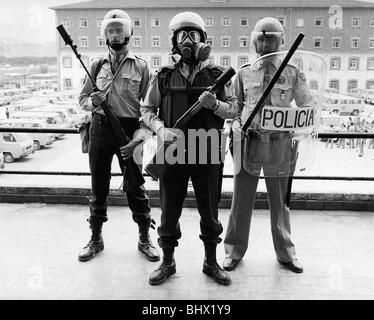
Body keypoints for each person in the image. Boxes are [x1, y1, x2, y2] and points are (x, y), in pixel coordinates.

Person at [140, 11, 238, 285]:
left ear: (203, 40)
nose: (188, 41)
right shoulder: (164, 75)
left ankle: (210, 262)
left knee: (210, 211)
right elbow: (146, 109)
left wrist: (215, 105)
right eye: (182, 35)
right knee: (169, 211)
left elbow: (235, 110)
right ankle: (168, 262)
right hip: (172, 151)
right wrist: (161, 129)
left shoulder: (218, 75)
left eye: (193, 35)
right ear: (174, 42)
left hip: (208, 151)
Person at [223, 17, 314, 273]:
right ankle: (233, 250)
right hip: (250, 142)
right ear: (254, 40)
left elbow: (307, 106)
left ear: (281, 40)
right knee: (240, 201)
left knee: (280, 203)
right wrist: (237, 125)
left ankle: (286, 253)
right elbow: (235, 107)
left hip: (280, 145)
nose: (265, 43)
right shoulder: (244, 72)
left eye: (271, 38)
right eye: (262, 38)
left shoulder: (293, 73)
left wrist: (299, 127)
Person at [78, 9, 160, 263]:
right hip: (100, 129)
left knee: (135, 185)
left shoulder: (143, 67)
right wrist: (92, 102)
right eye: (110, 31)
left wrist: (139, 138)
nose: (115, 35)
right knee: (98, 185)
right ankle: (96, 237)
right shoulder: (95, 65)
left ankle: (145, 237)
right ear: (105, 35)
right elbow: (81, 100)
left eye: (119, 31)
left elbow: (149, 110)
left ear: (129, 34)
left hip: (129, 131)